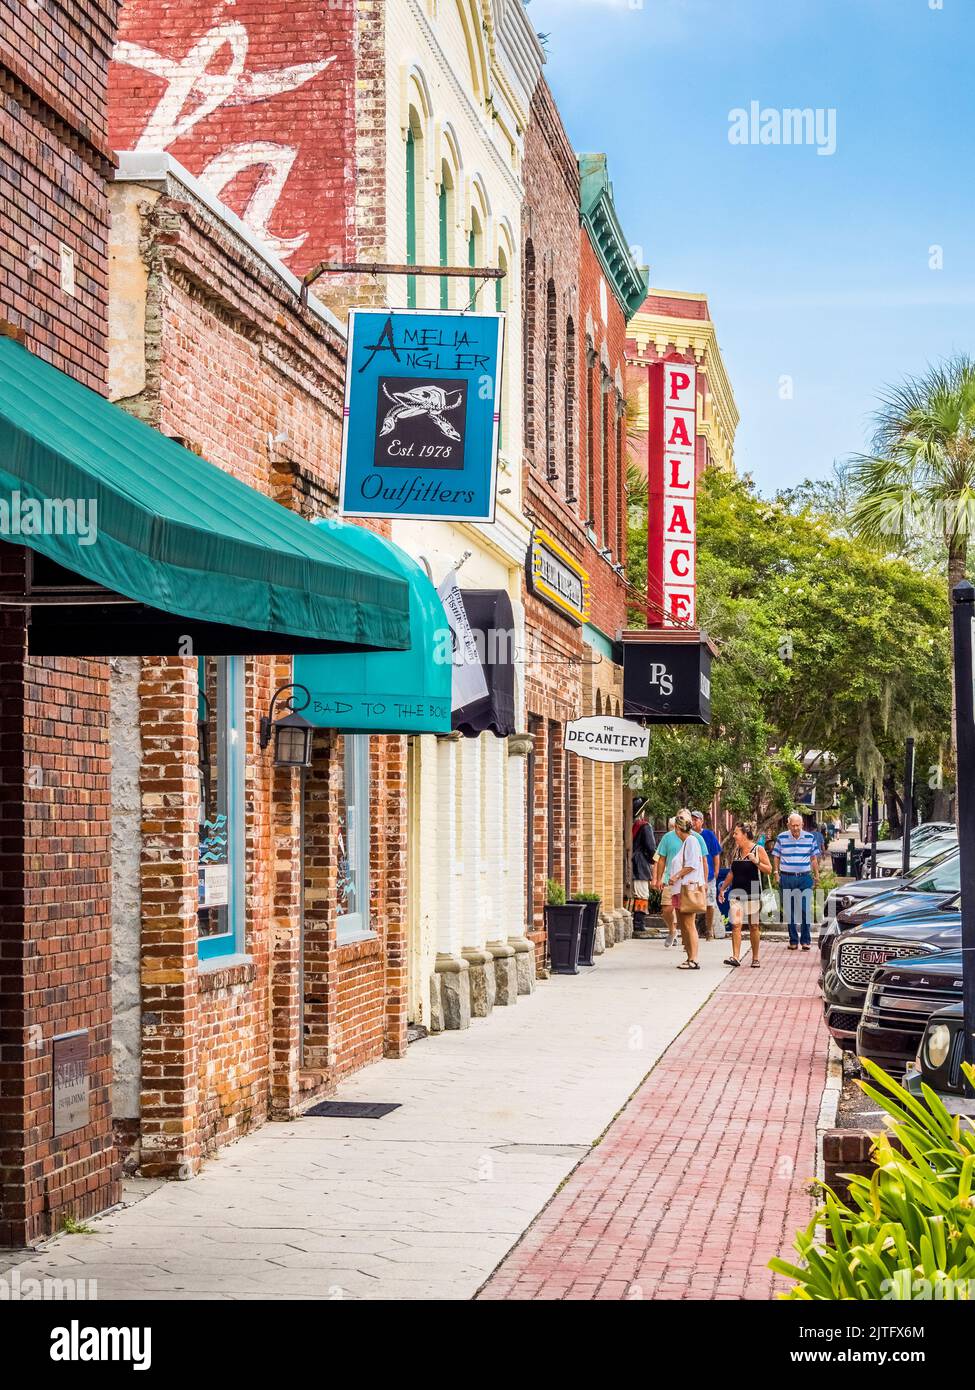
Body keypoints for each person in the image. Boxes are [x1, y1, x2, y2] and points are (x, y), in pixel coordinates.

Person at [719, 823, 772, 968]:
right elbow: (731, 872)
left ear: (745, 834)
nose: (734, 836)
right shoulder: (736, 851)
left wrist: (756, 862)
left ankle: (755, 958)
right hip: (736, 893)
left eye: (736, 833)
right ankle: (735, 957)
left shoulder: (757, 849)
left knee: (753, 926)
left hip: (753, 893)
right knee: (736, 925)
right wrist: (723, 888)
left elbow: (768, 869)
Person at [773, 811, 821, 950]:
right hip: (786, 877)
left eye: (798, 825)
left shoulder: (809, 837)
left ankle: (805, 940)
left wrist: (816, 875)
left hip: (804, 877)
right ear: (788, 825)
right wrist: (776, 873)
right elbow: (776, 855)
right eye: (793, 825)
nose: (795, 828)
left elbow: (813, 858)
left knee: (805, 909)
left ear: (802, 824)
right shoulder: (781, 837)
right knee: (790, 910)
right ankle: (793, 940)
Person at [669, 810, 706, 970]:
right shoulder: (687, 842)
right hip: (681, 889)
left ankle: (694, 958)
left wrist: (676, 876)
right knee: (684, 924)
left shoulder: (691, 841)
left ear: (678, 829)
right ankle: (689, 956)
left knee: (689, 924)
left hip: (687, 888)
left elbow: (691, 865)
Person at [691, 810, 722, 941]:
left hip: (708, 875)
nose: (693, 822)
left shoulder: (709, 835)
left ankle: (709, 930)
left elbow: (716, 855)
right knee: (691, 904)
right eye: (691, 819)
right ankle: (691, 931)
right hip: (692, 876)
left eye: (696, 819)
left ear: (701, 821)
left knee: (710, 903)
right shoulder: (688, 835)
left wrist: (715, 871)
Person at [652, 817, 680, 947]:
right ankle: (672, 930)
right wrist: (656, 878)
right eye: (674, 826)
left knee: (681, 910)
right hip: (669, 878)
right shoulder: (667, 838)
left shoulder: (693, 838)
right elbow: (658, 859)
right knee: (667, 908)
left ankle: (685, 935)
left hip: (686, 880)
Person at [631, 803, 657, 936]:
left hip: (631, 863)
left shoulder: (630, 825)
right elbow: (651, 847)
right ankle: (639, 924)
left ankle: (634, 922)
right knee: (642, 894)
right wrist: (656, 860)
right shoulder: (645, 826)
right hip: (640, 865)